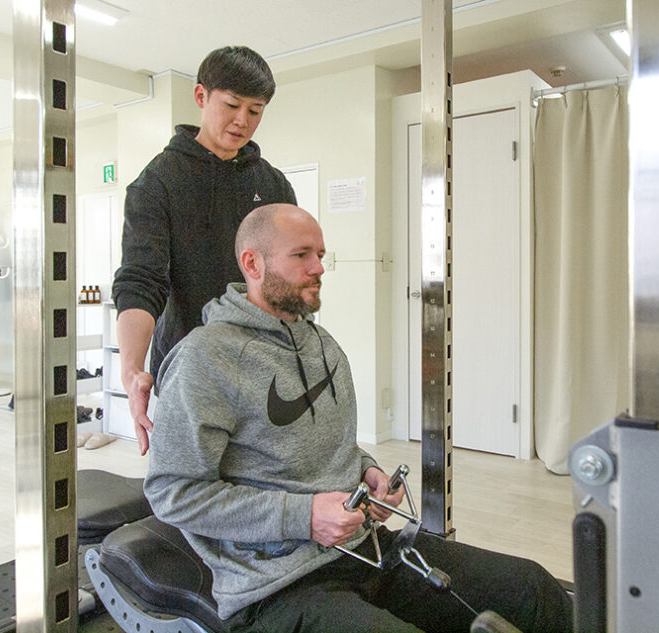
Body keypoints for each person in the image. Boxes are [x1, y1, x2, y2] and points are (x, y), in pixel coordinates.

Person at [144, 204, 573, 633]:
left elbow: (325, 442)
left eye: (321, 254)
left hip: (367, 552)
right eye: (301, 255)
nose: (319, 268)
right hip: (276, 588)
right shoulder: (205, 358)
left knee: (532, 588)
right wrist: (306, 516)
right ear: (252, 263)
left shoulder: (321, 344)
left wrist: (367, 471)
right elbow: (172, 492)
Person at [111, 45, 296, 455]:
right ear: (201, 97)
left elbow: (289, 276)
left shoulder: (275, 186)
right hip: (189, 373)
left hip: (263, 369)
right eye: (231, 105)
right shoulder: (158, 183)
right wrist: (131, 369)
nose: (242, 121)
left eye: (255, 110)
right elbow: (142, 280)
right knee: (194, 500)